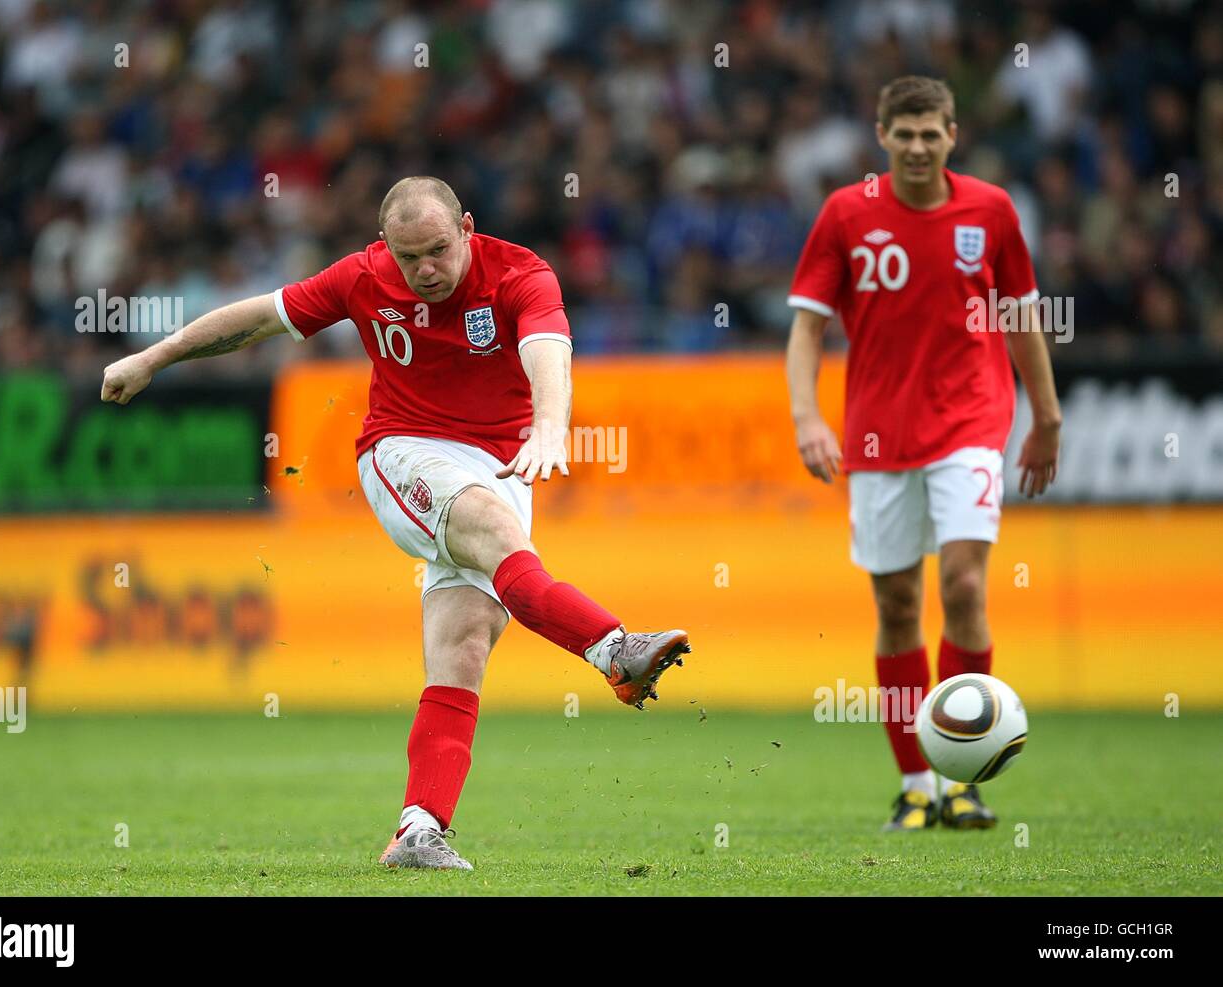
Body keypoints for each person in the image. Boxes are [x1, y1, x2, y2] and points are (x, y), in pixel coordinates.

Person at [100, 176, 690, 869]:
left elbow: (548, 352)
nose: (426, 271)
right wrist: (151, 358)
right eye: (410, 258)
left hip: (501, 466)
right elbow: (257, 319)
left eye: (439, 250)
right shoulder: (364, 276)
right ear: (387, 248)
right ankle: (614, 648)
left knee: (466, 644)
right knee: (498, 537)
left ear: (467, 226)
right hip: (401, 451)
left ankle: (418, 828)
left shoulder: (521, 273)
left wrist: (551, 424)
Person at [785, 78, 1062, 831]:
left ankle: (964, 776)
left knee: (966, 585)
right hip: (877, 433)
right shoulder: (846, 213)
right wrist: (809, 416)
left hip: (971, 419)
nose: (916, 146)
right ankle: (916, 783)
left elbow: (1021, 315)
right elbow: (808, 327)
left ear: (952, 134)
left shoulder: (992, 210)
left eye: (929, 133)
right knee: (898, 603)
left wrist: (1047, 415)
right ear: (881, 135)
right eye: (902, 133)